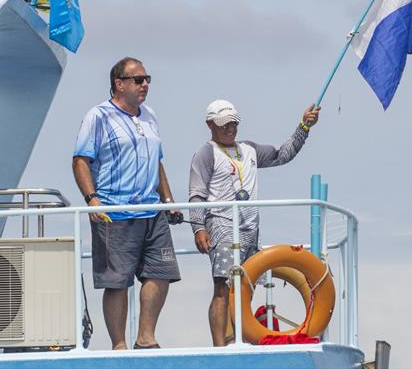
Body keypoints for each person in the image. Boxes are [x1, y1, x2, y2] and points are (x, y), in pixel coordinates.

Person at [188, 99, 321, 346]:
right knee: (222, 286)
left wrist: (304, 127)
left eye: (233, 123)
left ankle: (238, 338)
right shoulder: (206, 153)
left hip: (250, 227)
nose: (230, 128)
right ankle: (220, 345)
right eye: (224, 124)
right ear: (210, 124)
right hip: (222, 224)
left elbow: (283, 154)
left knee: (244, 287)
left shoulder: (248, 149)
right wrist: (199, 228)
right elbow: (196, 193)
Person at [72, 57, 181, 350]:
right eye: (138, 79)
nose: (145, 84)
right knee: (117, 281)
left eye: (147, 79)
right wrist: (92, 200)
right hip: (114, 212)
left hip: (152, 210)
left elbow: (157, 162)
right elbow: (81, 160)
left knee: (161, 273)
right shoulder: (98, 116)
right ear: (119, 84)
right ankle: (119, 345)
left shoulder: (150, 116)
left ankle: (146, 338)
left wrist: (168, 200)